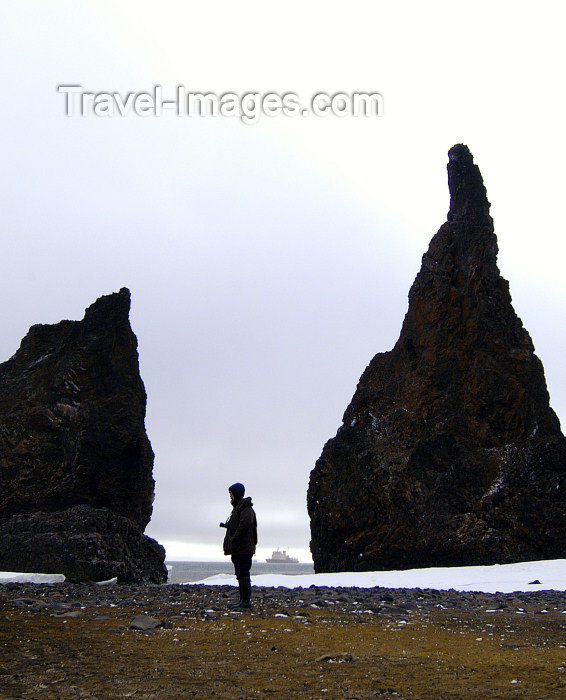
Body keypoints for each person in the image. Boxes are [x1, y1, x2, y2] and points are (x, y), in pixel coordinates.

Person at [219, 482, 257, 609]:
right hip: (239, 548)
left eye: (231, 494)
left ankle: (245, 601)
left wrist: (234, 538)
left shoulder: (246, 509)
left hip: (243, 548)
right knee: (240, 573)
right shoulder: (239, 508)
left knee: (243, 573)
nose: (230, 497)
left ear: (237, 494)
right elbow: (239, 524)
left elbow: (245, 525)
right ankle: (242, 599)